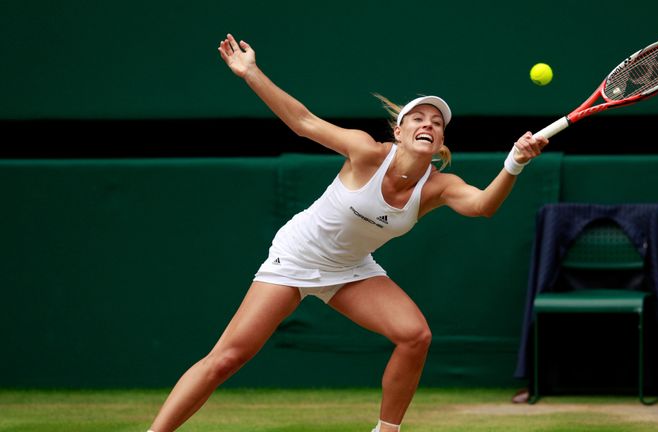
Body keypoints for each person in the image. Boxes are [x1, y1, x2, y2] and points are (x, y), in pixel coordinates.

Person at [147, 33, 548, 432]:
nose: (428, 124)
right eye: (418, 119)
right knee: (227, 358)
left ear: (441, 141)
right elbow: (302, 122)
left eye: (437, 123)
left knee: (415, 336)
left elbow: (482, 206)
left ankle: (386, 431)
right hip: (298, 255)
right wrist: (250, 72)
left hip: (351, 268)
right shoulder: (367, 152)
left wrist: (514, 163)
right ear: (399, 132)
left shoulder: (438, 186)